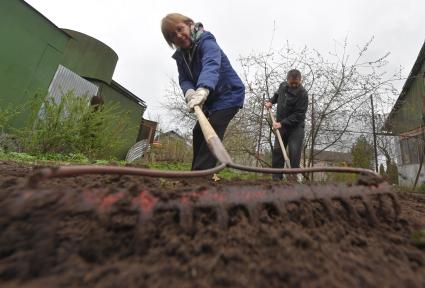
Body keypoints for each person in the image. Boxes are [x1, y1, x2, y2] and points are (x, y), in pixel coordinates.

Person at [161, 13, 245, 170]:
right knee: (198, 132)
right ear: (171, 41)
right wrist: (189, 92)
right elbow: (184, 79)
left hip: (229, 94)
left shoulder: (206, 40)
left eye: (180, 29)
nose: (179, 35)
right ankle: (195, 174)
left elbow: (211, 63)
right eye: (173, 35)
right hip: (211, 102)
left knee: (212, 131)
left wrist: (203, 88)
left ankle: (199, 179)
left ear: (189, 24)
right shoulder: (181, 57)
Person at [264, 69, 308, 180]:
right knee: (278, 151)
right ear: (287, 80)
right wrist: (271, 101)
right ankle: (276, 179)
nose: (293, 85)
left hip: (295, 128)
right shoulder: (283, 86)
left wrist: (282, 123)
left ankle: (292, 179)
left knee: (294, 152)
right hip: (281, 126)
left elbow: (299, 114)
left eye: (296, 83)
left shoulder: (303, 94)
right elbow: (277, 95)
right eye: (291, 83)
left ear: (300, 80)